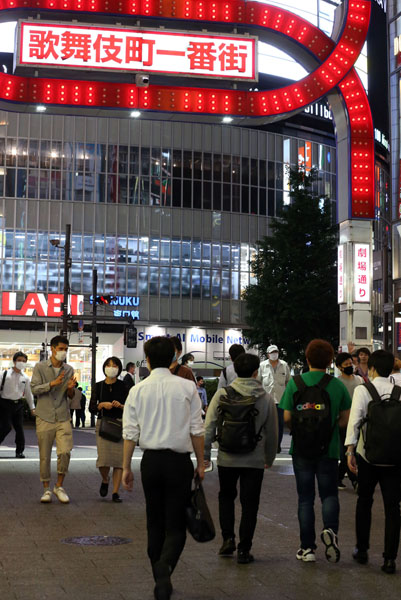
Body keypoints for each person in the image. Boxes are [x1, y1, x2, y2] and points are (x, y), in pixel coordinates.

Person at [122, 336, 204, 600]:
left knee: (153, 520)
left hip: (151, 463)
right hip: (179, 463)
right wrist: (201, 463)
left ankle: (159, 574)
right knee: (176, 523)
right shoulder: (187, 387)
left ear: (146, 360)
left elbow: (130, 434)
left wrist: (125, 468)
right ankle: (164, 568)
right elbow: (197, 430)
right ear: (173, 358)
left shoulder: (137, 390)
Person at [279, 339, 351, 563]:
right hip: (328, 449)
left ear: (307, 359)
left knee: (305, 499)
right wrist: (327, 429)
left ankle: (307, 548)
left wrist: (301, 431)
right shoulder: (337, 385)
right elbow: (345, 420)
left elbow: (287, 417)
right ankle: (330, 531)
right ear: (331, 360)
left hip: (300, 449)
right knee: (329, 494)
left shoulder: (295, 383)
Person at [204, 353, 278, 564]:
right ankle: (244, 549)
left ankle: (228, 538)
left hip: (227, 457)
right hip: (254, 459)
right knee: (250, 504)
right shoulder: (265, 397)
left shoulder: (222, 394)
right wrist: (269, 458)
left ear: (235, 371)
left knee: (226, 497)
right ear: (256, 372)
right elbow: (272, 433)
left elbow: (208, 427)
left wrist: (205, 456)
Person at [345, 349, 401, 574]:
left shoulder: (363, 389)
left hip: (367, 456)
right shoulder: (399, 392)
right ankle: (390, 559)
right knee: (392, 508)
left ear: (373, 367)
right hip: (395, 458)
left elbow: (355, 421)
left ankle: (362, 549)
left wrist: (349, 450)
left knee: (364, 501)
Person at [30, 335, 76, 504]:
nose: (63, 352)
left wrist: (70, 389)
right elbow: (34, 388)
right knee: (45, 455)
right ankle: (46, 489)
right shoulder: (40, 367)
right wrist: (52, 384)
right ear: (52, 348)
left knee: (65, 451)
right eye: (61, 349)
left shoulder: (69, 369)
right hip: (45, 415)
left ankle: (59, 486)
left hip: (63, 415)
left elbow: (69, 396)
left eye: (66, 349)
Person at [90, 357, 128, 503]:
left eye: (115, 365)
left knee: (119, 461)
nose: (111, 368)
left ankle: (115, 492)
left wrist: (121, 406)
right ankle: (105, 479)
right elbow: (92, 408)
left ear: (119, 369)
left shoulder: (124, 386)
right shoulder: (98, 386)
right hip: (103, 425)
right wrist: (101, 405)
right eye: (109, 365)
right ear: (104, 367)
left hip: (119, 424)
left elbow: (131, 406)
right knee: (103, 461)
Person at [335, 352, 363, 490]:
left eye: (350, 363)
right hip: (343, 422)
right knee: (345, 452)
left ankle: (338, 478)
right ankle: (355, 480)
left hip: (358, 420)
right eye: (346, 364)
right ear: (339, 367)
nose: (349, 366)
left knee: (353, 452)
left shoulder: (359, 380)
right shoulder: (337, 382)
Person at [0, 351, 35, 458]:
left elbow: (29, 394)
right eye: (19, 360)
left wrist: (32, 408)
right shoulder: (4, 374)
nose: (21, 363)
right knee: (5, 427)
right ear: (14, 361)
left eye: (24, 361)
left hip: (18, 405)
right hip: (4, 404)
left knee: (19, 428)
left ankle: (19, 451)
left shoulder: (25, 377)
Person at [258, 344, 290, 453]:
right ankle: (267, 445)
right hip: (266, 401)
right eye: (272, 353)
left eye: (275, 352)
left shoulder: (284, 365)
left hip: (281, 401)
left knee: (280, 425)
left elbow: (288, 382)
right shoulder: (262, 366)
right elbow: (258, 382)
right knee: (266, 424)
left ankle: (277, 445)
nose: (274, 354)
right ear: (268, 354)